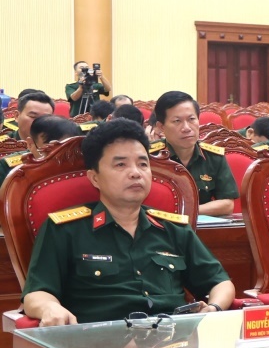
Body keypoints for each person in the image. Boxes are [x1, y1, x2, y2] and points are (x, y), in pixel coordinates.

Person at [21, 119, 235, 325]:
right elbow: (36, 293)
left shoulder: (173, 228)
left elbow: (220, 282)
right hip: (99, 342)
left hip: (172, 338)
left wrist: (214, 308)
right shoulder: (65, 229)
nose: (135, 173)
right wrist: (49, 307)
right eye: (121, 164)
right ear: (95, 178)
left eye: (143, 164)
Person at [151, 91, 238, 216]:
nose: (186, 128)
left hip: (201, 226)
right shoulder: (149, 157)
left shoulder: (213, 157)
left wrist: (187, 212)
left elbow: (227, 204)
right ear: (161, 127)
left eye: (191, 119)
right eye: (177, 121)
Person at [0, 113, 81, 184]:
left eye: (65, 149)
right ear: (30, 144)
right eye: (49, 150)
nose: (58, 157)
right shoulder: (8, 167)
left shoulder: (81, 166)